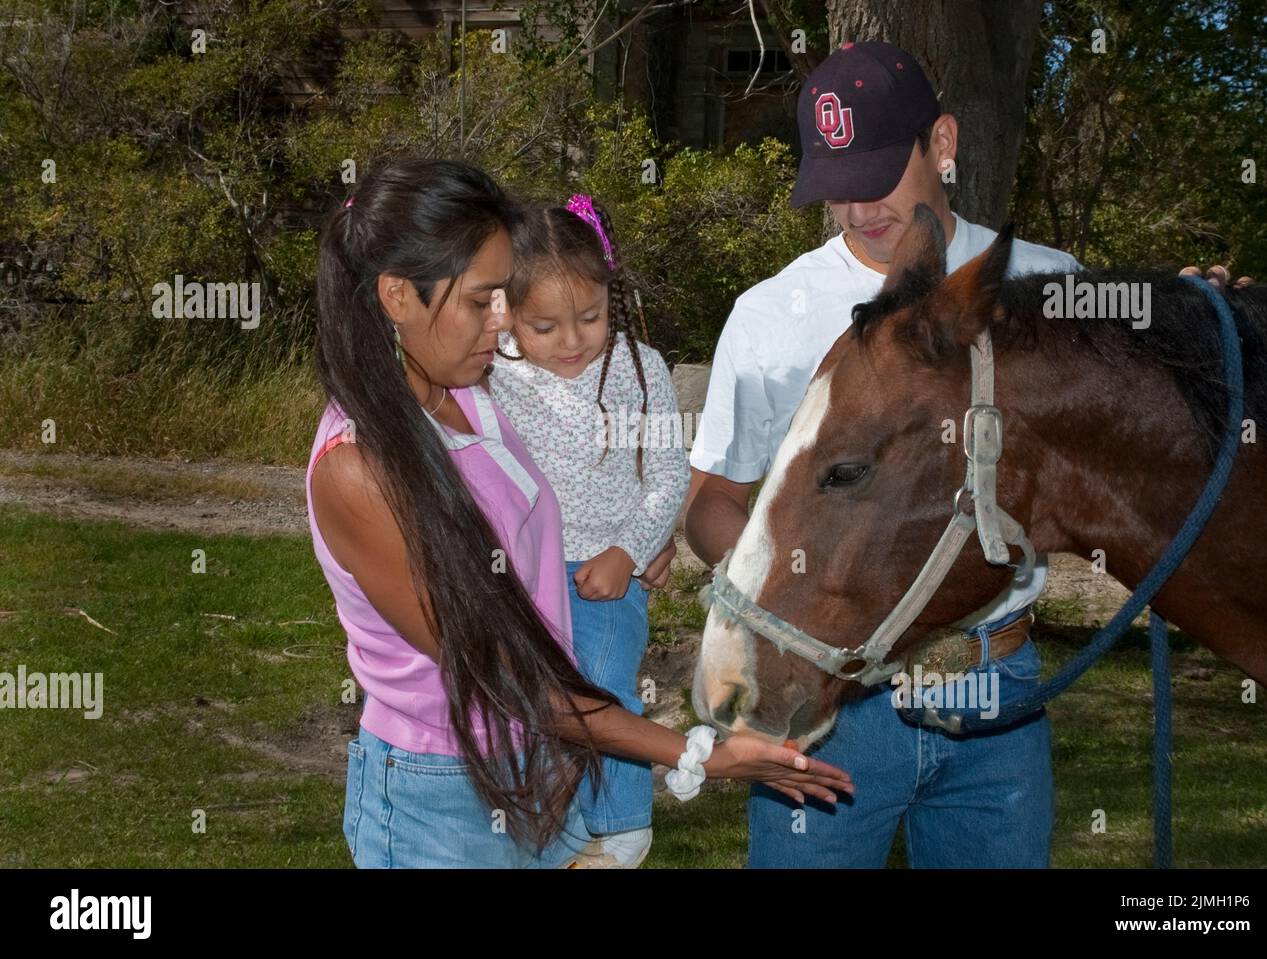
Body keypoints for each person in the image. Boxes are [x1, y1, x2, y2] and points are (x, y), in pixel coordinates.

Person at [307, 155, 852, 868]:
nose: (500, 324)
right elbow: (511, 680)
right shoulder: (359, 468)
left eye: (504, 296)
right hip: (436, 800)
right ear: (396, 297)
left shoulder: (466, 388)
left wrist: (640, 537)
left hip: (536, 771)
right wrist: (701, 752)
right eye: (481, 301)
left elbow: (545, 510)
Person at [685, 41, 1080, 868]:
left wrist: (1194, 321)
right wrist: (782, 584)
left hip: (995, 686)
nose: (859, 205)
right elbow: (712, 498)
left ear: (942, 142)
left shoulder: (1050, 287)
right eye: (834, 185)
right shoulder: (769, 314)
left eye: (877, 170)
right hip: (834, 693)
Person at [488, 196, 691, 868]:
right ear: (507, 313)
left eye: (590, 316)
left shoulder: (642, 370)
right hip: (518, 578)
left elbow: (668, 477)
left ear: (613, 296)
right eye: (546, 325)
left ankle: (624, 826)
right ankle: (560, 829)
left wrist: (629, 550)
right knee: (532, 711)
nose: (572, 340)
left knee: (599, 681)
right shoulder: (492, 372)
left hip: (606, 570)